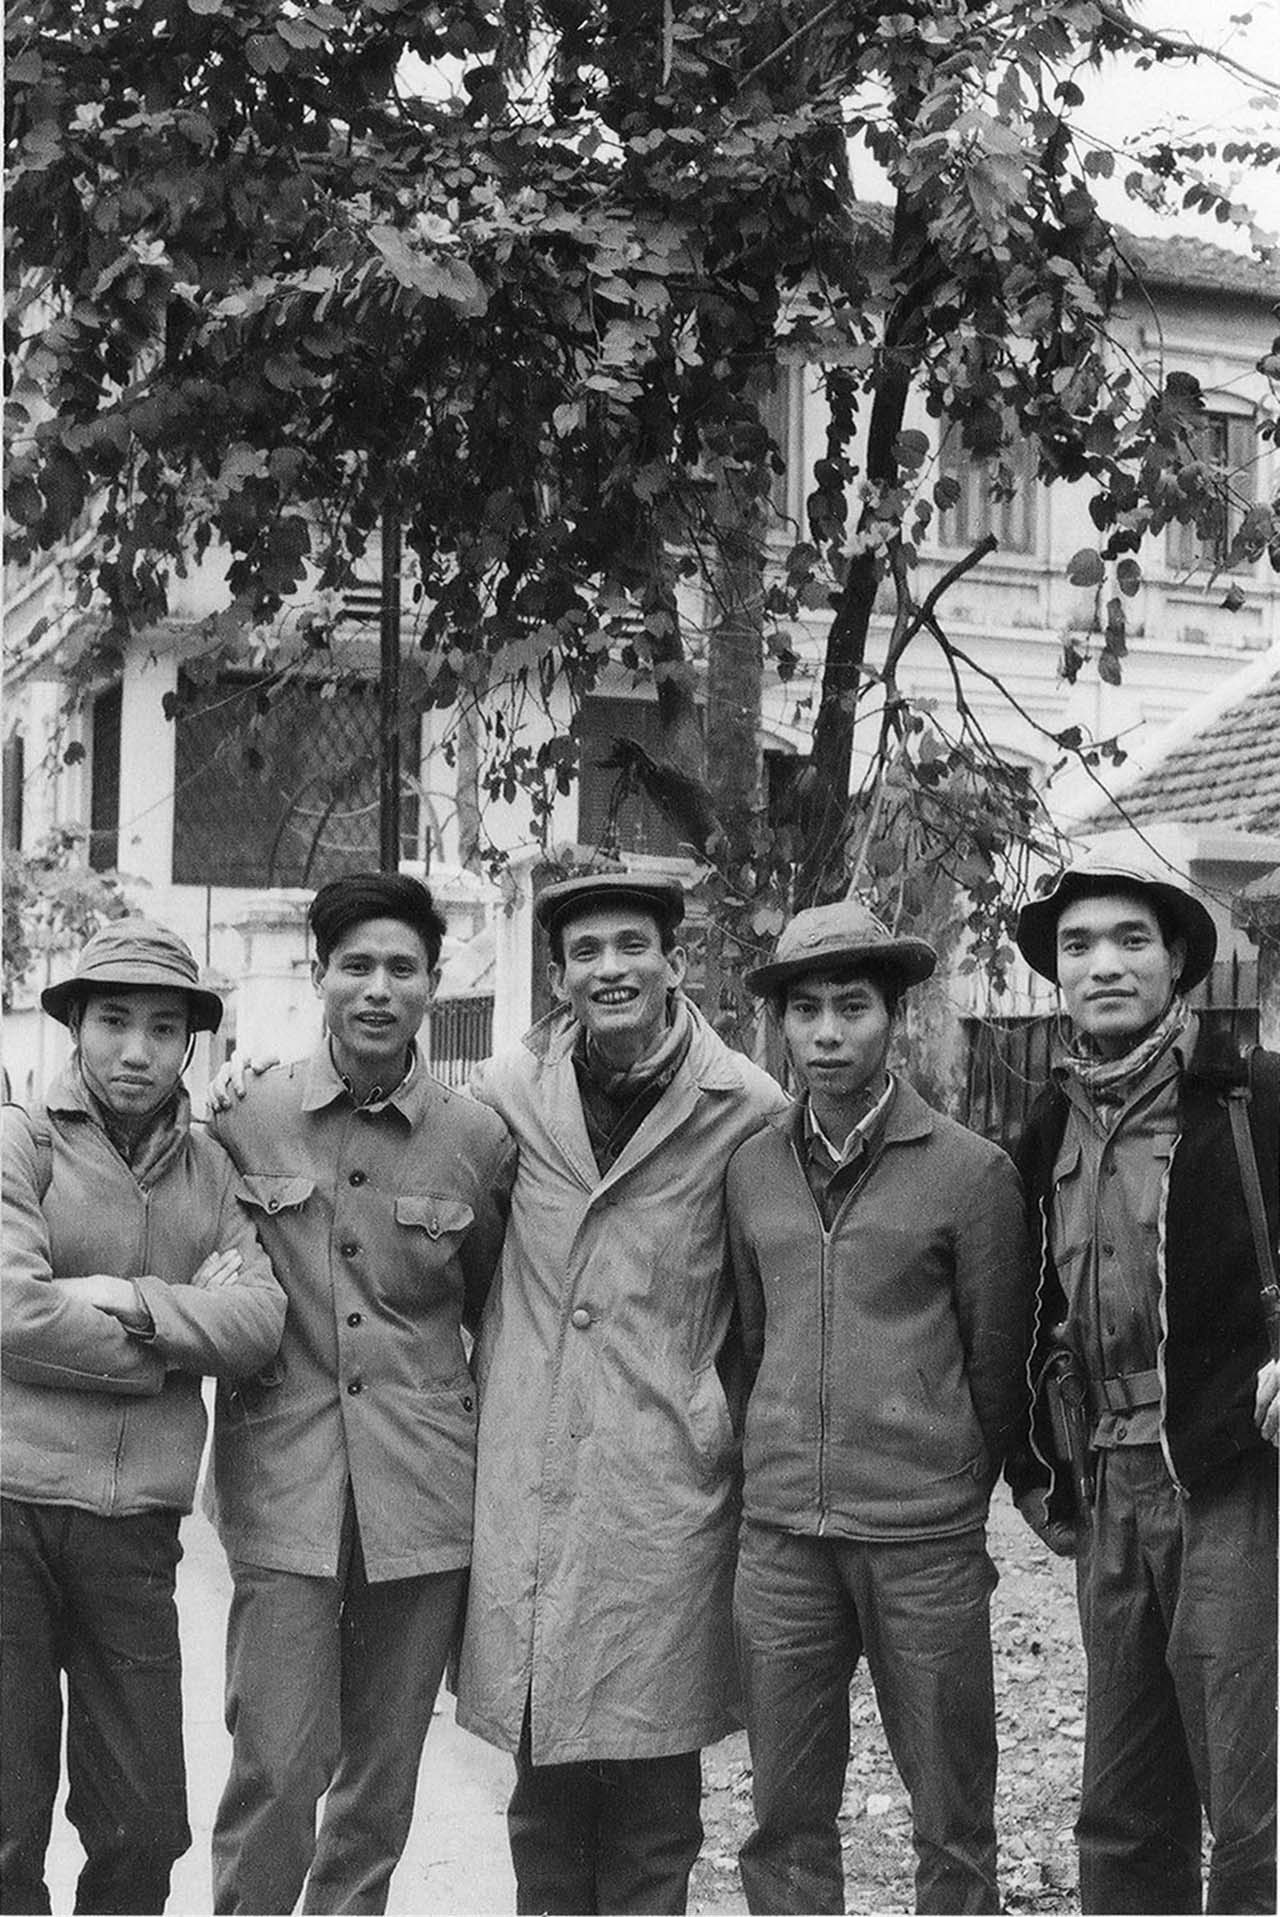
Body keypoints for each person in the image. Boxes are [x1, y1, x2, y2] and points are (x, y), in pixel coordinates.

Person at [455, 870, 789, 1916]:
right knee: (545, 1795)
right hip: (535, 1478)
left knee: (652, 1802)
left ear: (674, 963)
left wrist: (713, 1417)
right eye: (586, 952)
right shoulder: (505, 1094)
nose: (611, 969)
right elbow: (451, 1228)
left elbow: (765, 1300)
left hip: (663, 1489)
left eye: (632, 946)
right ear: (559, 978)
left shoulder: (746, 1107)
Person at [204, 872, 516, 1916]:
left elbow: (489, 1304)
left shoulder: (476, 1142)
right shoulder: (246, 1115)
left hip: (421, 1500)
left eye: (401, 968)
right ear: (319, 976)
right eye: (356, 966)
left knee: (378, 1789)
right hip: (281, 1485)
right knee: (276, 1765)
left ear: (433, 984)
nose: (378, 989)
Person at [723, 900, 1030, 1916]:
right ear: (779, 1022)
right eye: (804, 1009)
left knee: (952, 1819)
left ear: (893, 1017)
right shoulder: (752, 1169)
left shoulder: (970, 1173)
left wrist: (946, 1489)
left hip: (921, 1543)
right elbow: (753, 1340)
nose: (825, 1033)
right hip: (783, 1545)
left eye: (851, 1007)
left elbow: (996, 1368)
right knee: (783, 1820)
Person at [1007, 844, 1278, 1915]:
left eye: (1131, 940)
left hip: (1229, 1478)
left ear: (1176, 962)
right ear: (1057, 975)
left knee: (1249, 1801)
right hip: (1107, 1485)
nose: (1104, 964)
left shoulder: (1251, 1098)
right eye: (1078, 946)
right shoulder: (1046, 1126)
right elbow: (1025, 1310)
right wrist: (1036, 1464)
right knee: (1120, 1808)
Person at [0, 918, 285, 1917]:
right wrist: (171, 1336)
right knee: (5, 1820)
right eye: (114, 1021)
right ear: (76, 1023)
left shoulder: (212, 1169)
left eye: (164, 1029)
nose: (137, 1050)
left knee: (144, 1822)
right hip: (10, 1509)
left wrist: (125, 1298)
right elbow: (10, 1311)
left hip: (134, 1533)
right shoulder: (23, 1140)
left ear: (190, 1043)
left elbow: (259, 1322)